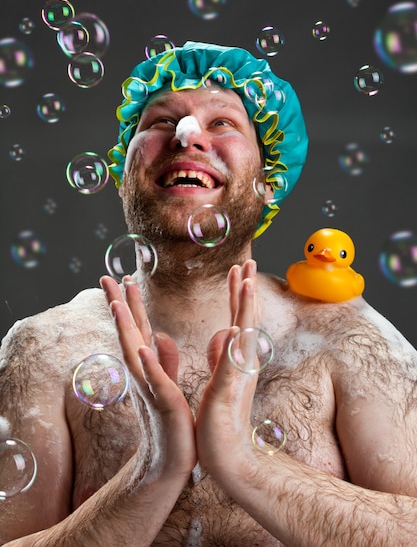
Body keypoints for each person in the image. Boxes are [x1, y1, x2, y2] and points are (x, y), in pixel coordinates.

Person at [1, 40, 417, 547]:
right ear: (121, 172)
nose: (186, 135)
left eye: (222, 122)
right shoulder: (43, 349)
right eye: (158, 121)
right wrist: (153, 473)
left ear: (269, 180)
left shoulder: (347, 337)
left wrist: (245, 462)